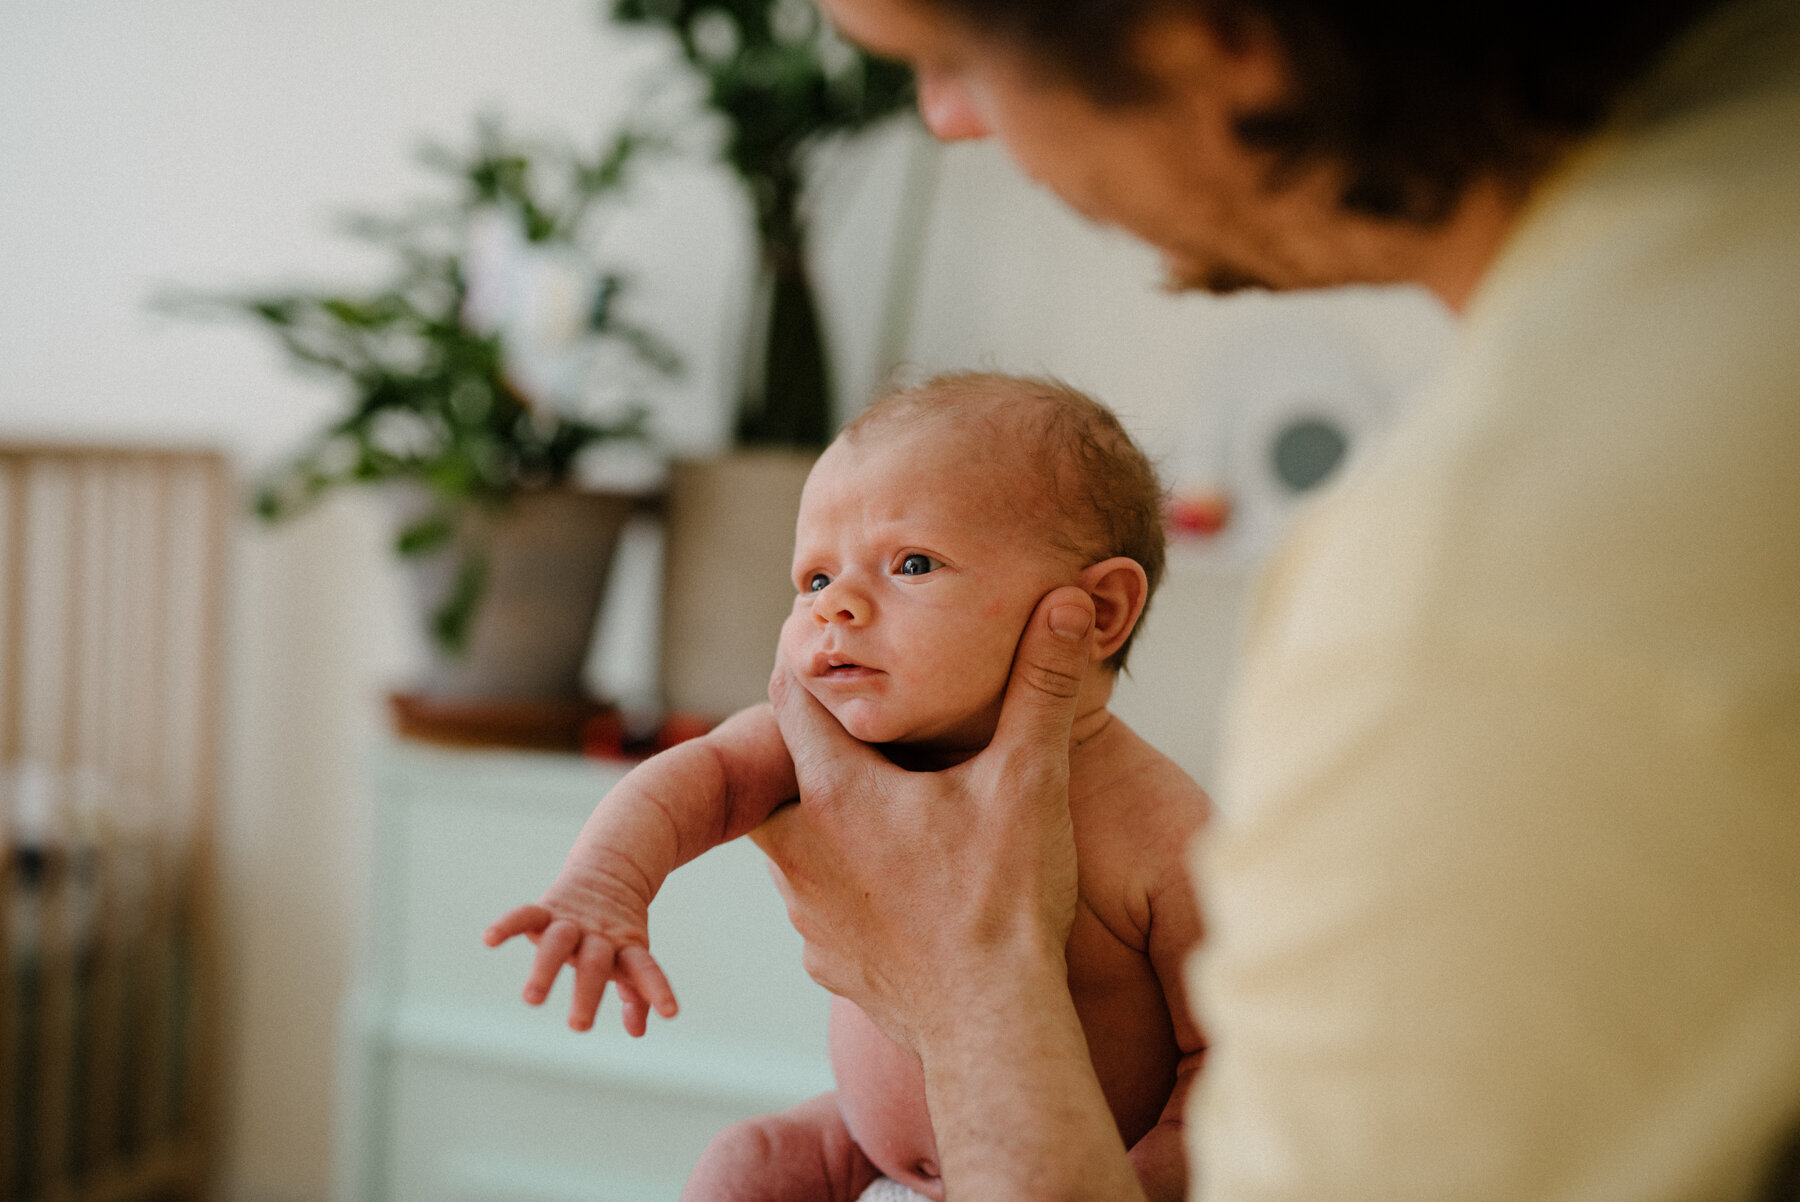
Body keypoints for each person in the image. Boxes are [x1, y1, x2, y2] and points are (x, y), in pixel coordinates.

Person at [748, 0, 1800, 1199]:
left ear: (1211, 36)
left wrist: (965, 986)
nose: (949, 119)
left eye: (953, 57)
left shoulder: (1473, 601)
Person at [484, 373, 1212, 1201]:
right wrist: (608, 883)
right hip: (856, 1161)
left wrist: (1145, 1181)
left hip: (1061, 1176)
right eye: (816, 579)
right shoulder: (821, 739)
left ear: (1101, 610)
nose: (839, 609)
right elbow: (700, 779)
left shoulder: (1161, 823)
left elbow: (1228, 1058)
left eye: (911, 563)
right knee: (746, 1164)